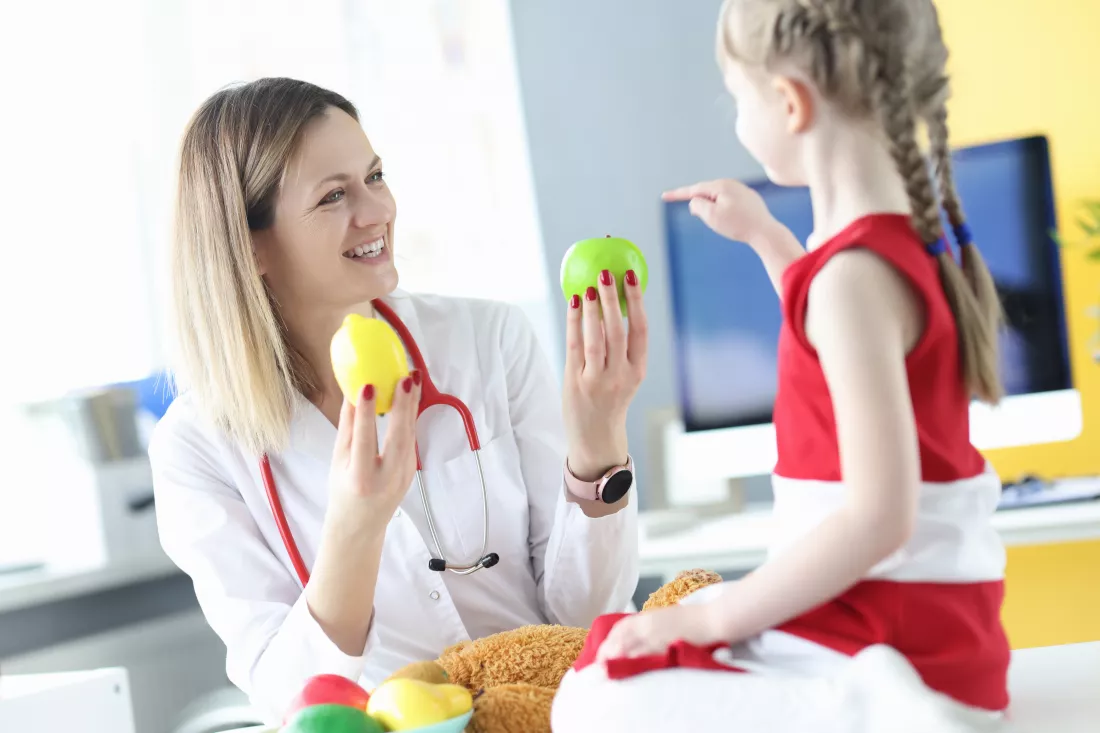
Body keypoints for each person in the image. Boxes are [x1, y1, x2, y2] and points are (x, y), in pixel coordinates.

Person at [553, 0, 1010, 728]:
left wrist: (710, 622)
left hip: (896, 644)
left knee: (594, 700)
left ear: (791, 103)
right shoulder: (892, 252)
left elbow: (878, 517)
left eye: (737, 98)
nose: (736, 118)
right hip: (915, 623)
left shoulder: (852, 280)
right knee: (618, 658)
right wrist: (767, 239)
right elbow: (832, 334)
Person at [149, 77, 647, 723]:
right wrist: (356, 524)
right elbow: (290, 701)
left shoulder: (487, 340)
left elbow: (590, 616)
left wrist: (599, 442)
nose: (376, 210)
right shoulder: (198, 447)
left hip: (566, 711)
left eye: (374, 176)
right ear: (252, 245)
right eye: (334, 196)